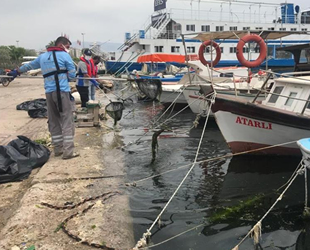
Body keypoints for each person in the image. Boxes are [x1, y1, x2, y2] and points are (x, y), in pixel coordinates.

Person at [7, 36, 79, 160]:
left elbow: (29, 66)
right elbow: (72, 75)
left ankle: (58, 149)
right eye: (67, 47)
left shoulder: (43, 57)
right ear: (62, 45)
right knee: (67, 120)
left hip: (49, 93)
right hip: (62, 92)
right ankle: (68, 152)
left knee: (54, 120)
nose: (68, 49)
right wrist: (66, 75)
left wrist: (16, 72)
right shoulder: (65, 56)